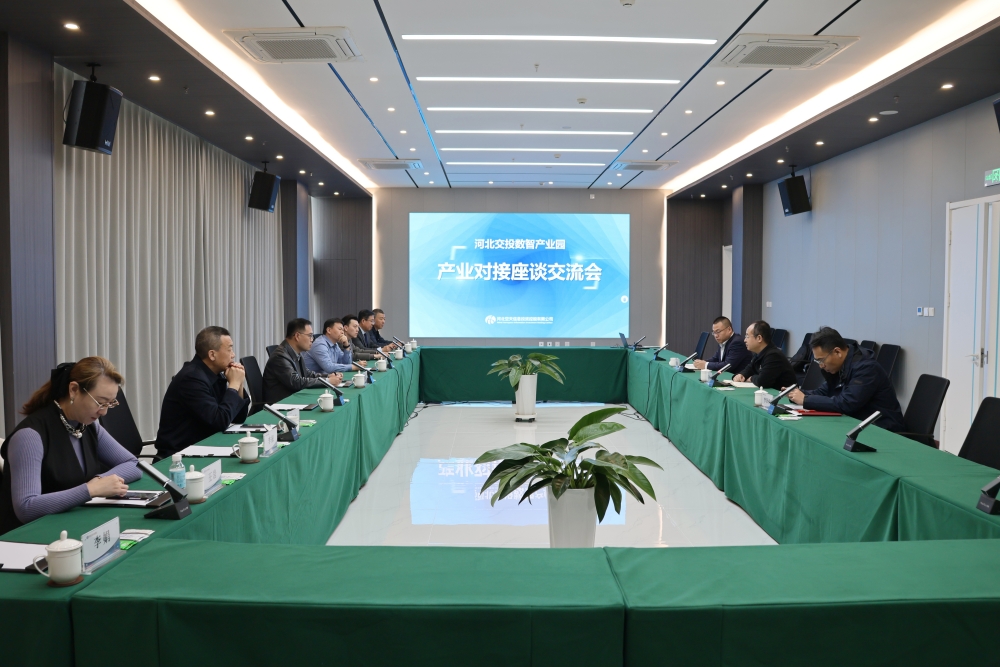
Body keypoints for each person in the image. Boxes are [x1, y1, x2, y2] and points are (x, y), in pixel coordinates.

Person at [0, 357, 141, 535]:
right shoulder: (30, 436)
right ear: (74, 390)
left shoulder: (87, 425)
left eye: (110, 404)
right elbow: (26, 507)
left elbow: (133, 464)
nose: (104, 412)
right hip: (30, 537)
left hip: (71, 526)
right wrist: (90, 489)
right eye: (100, 402)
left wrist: (99, 481)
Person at [155, 326, 251, 459]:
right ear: (212, 355)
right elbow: (220, 421)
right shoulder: (191, 379)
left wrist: (239, 384)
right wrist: (233, 385)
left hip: (204, 446)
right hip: (179, 456)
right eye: (229, 349)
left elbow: (237, 418)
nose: (233, 355)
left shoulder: (214, 374)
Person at [787, 327, 905, 431]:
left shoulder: (866, 368)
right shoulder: (840, 365)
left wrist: (806, 400)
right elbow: (824, 391)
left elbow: (847, 403)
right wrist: (796, 394)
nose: (820, 366)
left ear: (837, 352)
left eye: (821, 360)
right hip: (857, 424)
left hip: (883, 429)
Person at [262, 318, 340, 404]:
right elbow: (296, 382)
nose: (312, 339)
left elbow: (307, 374)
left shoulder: (295, 352)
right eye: (310, 335)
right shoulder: (280, 356)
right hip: (282, 403)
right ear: (297, 336)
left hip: (294, 398)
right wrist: (327, 381)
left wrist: (328, 376)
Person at [732, 321, 797, 390]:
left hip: (784, 395)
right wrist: (741, 375)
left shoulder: (774, 355)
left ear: (759, 338)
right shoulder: (759, 353)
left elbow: (762, 381)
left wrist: (751, 378)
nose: (745, 340)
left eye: (747, 336)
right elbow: (750, 368)